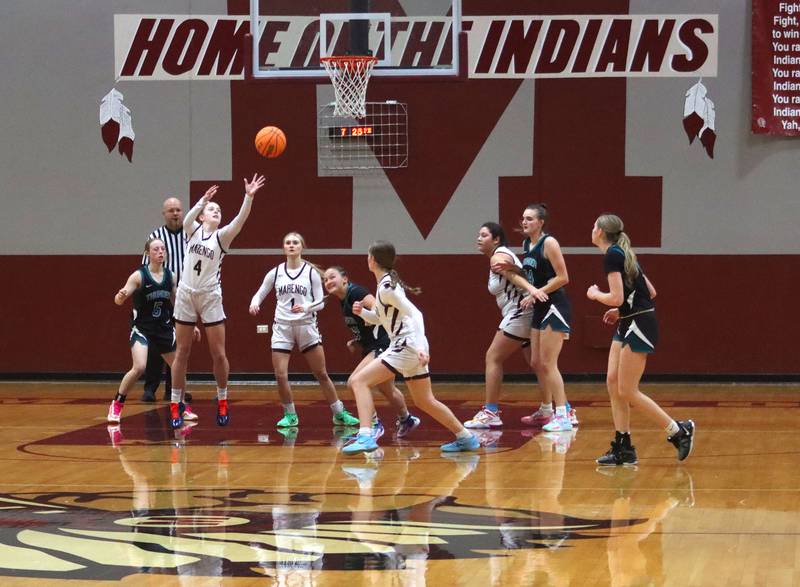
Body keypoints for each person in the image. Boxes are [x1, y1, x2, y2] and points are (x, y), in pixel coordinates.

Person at [341, 240, 479, 455]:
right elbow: (379, 317)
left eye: (368, 255)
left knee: (359, 381)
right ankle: (466, 437)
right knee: (425, 400)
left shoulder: (387, 288)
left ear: (373, 260)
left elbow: (416, 314)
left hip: (405, 346)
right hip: (407, 347)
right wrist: (362, 313)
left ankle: (366, 435)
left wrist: (420, 347)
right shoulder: (384, 285)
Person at [588, 214, 694, 465]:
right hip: (629, 320)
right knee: (613, 383)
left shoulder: (613, 255)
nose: (591, 230)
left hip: (640, 324)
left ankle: (679, 430)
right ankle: (623, 447)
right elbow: (650, 292)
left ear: (601, 232)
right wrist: (621, 310)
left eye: (594, 226)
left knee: (627, 390)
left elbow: (615, 296)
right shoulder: (623, 252)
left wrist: (595, 294)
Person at [171, 174, 267, 429]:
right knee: (182, 351)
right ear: (203, 215)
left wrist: (248, 197)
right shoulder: (192, 230)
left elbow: (240, 220)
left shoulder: (222, 237)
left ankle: (222, 399)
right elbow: (187, 219)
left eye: (219, 210)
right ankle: (175, 404)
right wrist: (203, 200)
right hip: (185, 293)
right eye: (212, 209)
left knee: (218, 353)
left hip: (210, 295)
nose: (216, 212)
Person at [249, 233, 360, 429]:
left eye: (295, 243)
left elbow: (320, 303)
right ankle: (290, 414)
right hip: (282, 327)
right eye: (288, 243)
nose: (291, 246)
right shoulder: (275, 272)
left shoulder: (310, 273)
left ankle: (339, 412)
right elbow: (260, 293)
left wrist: (306, 307)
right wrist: (254, 303)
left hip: (306, 326)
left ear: (302, 247)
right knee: (280, 374)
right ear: (284, 248)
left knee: (321, 373)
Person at [494, 204, 578, 431]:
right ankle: (547, 409)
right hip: (540, 305)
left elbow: (563, 277)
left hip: (554, 305)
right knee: (537, 362)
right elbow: (533, 275)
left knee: (549, 363)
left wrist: (537, 293)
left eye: (530, 218)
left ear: (541, 222)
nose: (524, 222)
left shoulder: (549, 243)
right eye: (523, 218)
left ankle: (564, 414)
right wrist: (514, 269)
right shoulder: (526, 244)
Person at [322, 265, 420, 438]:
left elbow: (376, 306)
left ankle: (374, 425)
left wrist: (368, 313)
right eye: (325, 280)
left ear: (345, 279)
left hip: (382, 344)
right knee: (386, 388)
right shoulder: (343, 299)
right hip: (373, 345)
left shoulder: (356, 292)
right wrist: (357, 341)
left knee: (354, 382)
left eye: (332, 277)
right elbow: (363, 323)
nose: (328, 281)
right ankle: (407, 419)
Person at [464, 222, 545, 430]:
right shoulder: (501, 256)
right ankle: (556, 409)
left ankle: (491, 412)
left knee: (493, 357)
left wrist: (528, 286)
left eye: (484, 235)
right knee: (537, 363)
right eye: (478, 235)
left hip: (521, 311)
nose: (479, 238)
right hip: (525, 311)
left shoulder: (498, 256)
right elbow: (520, 271)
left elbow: (513, 271)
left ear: (497, 239)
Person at [108, 238, 198, 425]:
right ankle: (117, 403)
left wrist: (191, 323)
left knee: (178, 367)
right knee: (139, 367)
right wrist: (120, 296)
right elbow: (120, 298)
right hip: (142, 328)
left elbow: (178, 303)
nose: (160, 252)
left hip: (163, 328)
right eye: (156, 249)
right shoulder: (139, 276)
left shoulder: (170, 276)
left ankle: (181, 405)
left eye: (163, 249)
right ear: (148, 253)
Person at [141, 197, 193, 402]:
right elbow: (146, 267)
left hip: (184, 297)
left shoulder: (191, 234)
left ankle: (175, 390)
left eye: (178, 210)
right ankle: (150, 388)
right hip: (160, 297)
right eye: (171, 210)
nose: (175, 213)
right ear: (164, 213)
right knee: (156, 345)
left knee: (179, 346)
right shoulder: (156, 236)